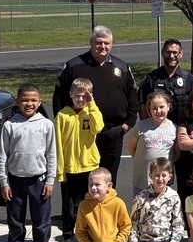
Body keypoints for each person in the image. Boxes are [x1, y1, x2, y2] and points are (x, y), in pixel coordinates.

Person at [53, 25, 137, 182]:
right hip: (81, 133)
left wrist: (129, 123)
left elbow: (132, 96)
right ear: (91, 42)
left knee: (108, 180)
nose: (102, 46)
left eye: (106, 43)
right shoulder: (73, 66)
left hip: (112, 132)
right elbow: (59, 97)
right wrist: (63, 125)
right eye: (98, 42)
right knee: (81, 182)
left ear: (112, 44)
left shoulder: (122, 67)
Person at [0, 83, 57, 242]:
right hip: (15, 180)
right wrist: (4, 182)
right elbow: (3, 156)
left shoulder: (46, 125)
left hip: (38, 180)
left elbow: (51, 154)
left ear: (40, 102)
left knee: (41, 219)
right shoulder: (9, 125)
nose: (29, 103)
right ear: (17, 102)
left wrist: (50, 180)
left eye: (33, 100)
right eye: (25, 100)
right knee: (15, 218)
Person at [54, 78, 104, 242]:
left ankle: (89, 236)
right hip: (69, 168)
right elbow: (58, 145)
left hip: (89, 167)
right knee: (68, 207)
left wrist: (92, 105)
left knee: (89, 204)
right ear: (70, 95)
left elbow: (98, 128)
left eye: (85, 96)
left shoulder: (91, 113)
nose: (81, 99)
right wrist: (60, 170)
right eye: (77, 95)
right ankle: (68, 237)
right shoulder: (62, 116)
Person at [74, 167, 131, 242]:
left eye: (97, 185)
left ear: (109, 186)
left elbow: (126, 227)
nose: (93, 188)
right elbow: (80, 231)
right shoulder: (84, 206)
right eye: (91, 185)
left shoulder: (118, 203)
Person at [129, 157, 184, 242]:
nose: (160, 179)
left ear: (169, 176)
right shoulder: (141, 197)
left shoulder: (174, 197)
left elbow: (178, 225)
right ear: (150, 176)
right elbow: (133, 223)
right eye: (156, 175)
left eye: (163, 175)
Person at [137, 38, 193, 125]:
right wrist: (146, 127)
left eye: (175, 53)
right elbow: (142, 104)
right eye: (168, 52)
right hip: (157, 131)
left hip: (183, 130)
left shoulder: (190, 79)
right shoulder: (151, 78)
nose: (171, 56)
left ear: (181, 54)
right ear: (163, 53)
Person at [128, 91, 177, 198]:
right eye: (154, 108)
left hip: (162, 181)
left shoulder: (174, 129)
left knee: (161, 211)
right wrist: (141, 161)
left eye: (161, 107)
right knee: (140, 211)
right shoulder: (141, 126)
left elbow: (176, 154)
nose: (158, 111)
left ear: (168, 106)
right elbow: (131, 147)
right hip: (142, 180)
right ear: (149, 109)